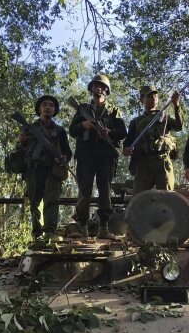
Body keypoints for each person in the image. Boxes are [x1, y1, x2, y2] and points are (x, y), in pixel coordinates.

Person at [69, 74, 127, 240]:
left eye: (101, 87)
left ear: (106, 90)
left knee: (105, 192)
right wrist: (83, 125)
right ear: (91, 89)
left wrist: (110, 132)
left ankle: (104, 227)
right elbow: (72, 131)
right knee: (84, 191)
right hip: (86, 156)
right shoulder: (83, 110)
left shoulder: (115, 111)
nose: (98, 89)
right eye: (95, 86)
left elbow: (123, 132)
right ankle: (82, 227)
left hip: (106, 157)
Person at [18, 95, 72, 241]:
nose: (48, 107)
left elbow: (67, 152)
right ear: (39, 109)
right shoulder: (29, 128)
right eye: (44, 105)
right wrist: (21, 142)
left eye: (51, 105)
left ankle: (49, 231)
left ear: (54, 110)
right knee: (34, 202)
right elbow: (20, 151)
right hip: (34, 169)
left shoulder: (60, 130)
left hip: (52, 170)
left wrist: (63, 158)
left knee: (52, 201)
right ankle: (37, 234)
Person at [123, 85, 182, 194]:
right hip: (143, 163)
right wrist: (126, 150)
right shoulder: (135, 122)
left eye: (155, 96)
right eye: (149, 96)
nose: (153, 98)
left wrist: (176, 106)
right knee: (140, 198)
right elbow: (127, 144)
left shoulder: (165, 117)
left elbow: (178, 127)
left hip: (162, 161)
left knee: (166, 197)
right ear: (142, 99)